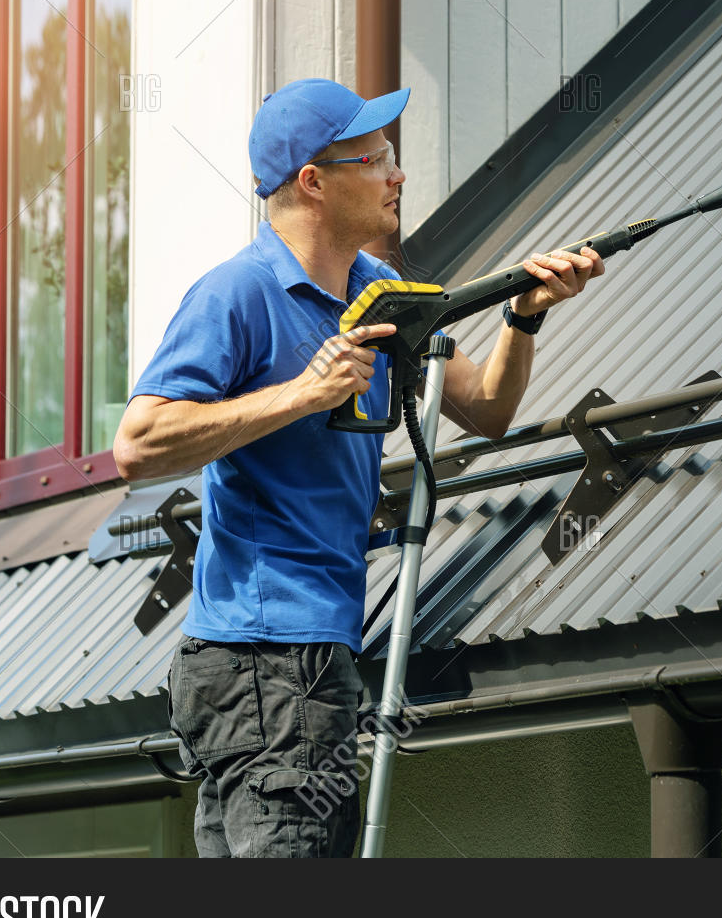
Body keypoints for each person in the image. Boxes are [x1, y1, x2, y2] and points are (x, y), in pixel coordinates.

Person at [113, 77, 604, 857]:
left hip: (296, 660)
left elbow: (486, 408)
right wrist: (303, 394)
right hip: (266, 662)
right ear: (314, 181)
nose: (397, 175)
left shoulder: (380, 293)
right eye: (377, 158)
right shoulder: (237, 294)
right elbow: (139, 445)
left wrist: (523, 316)